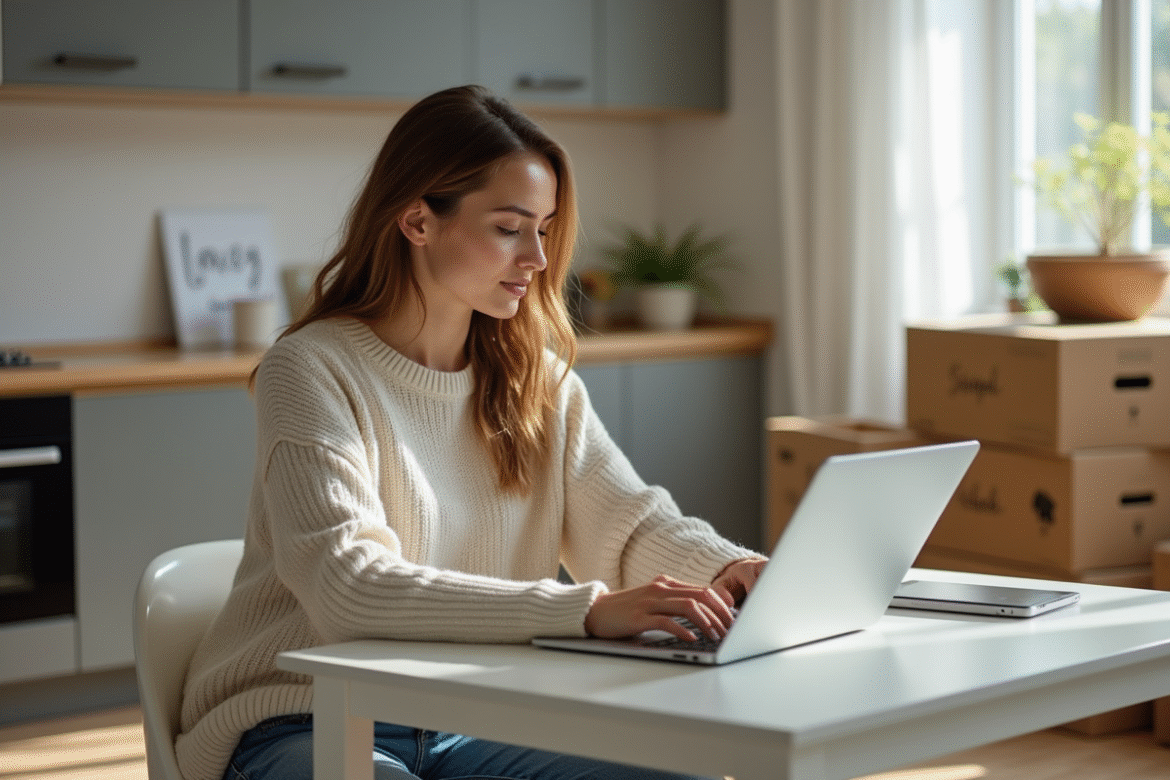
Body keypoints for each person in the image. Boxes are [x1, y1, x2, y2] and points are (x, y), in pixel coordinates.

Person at [176, 84, 767, 780]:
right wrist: (585, 612)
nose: (539, 260)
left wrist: (730, 572)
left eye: (544, 229)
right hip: (305, 716)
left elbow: (630, 528)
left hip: (480, 717)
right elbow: (349, 588)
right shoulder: (310, 369)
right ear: (418, 221)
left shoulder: (537, 380)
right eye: (509, 227)